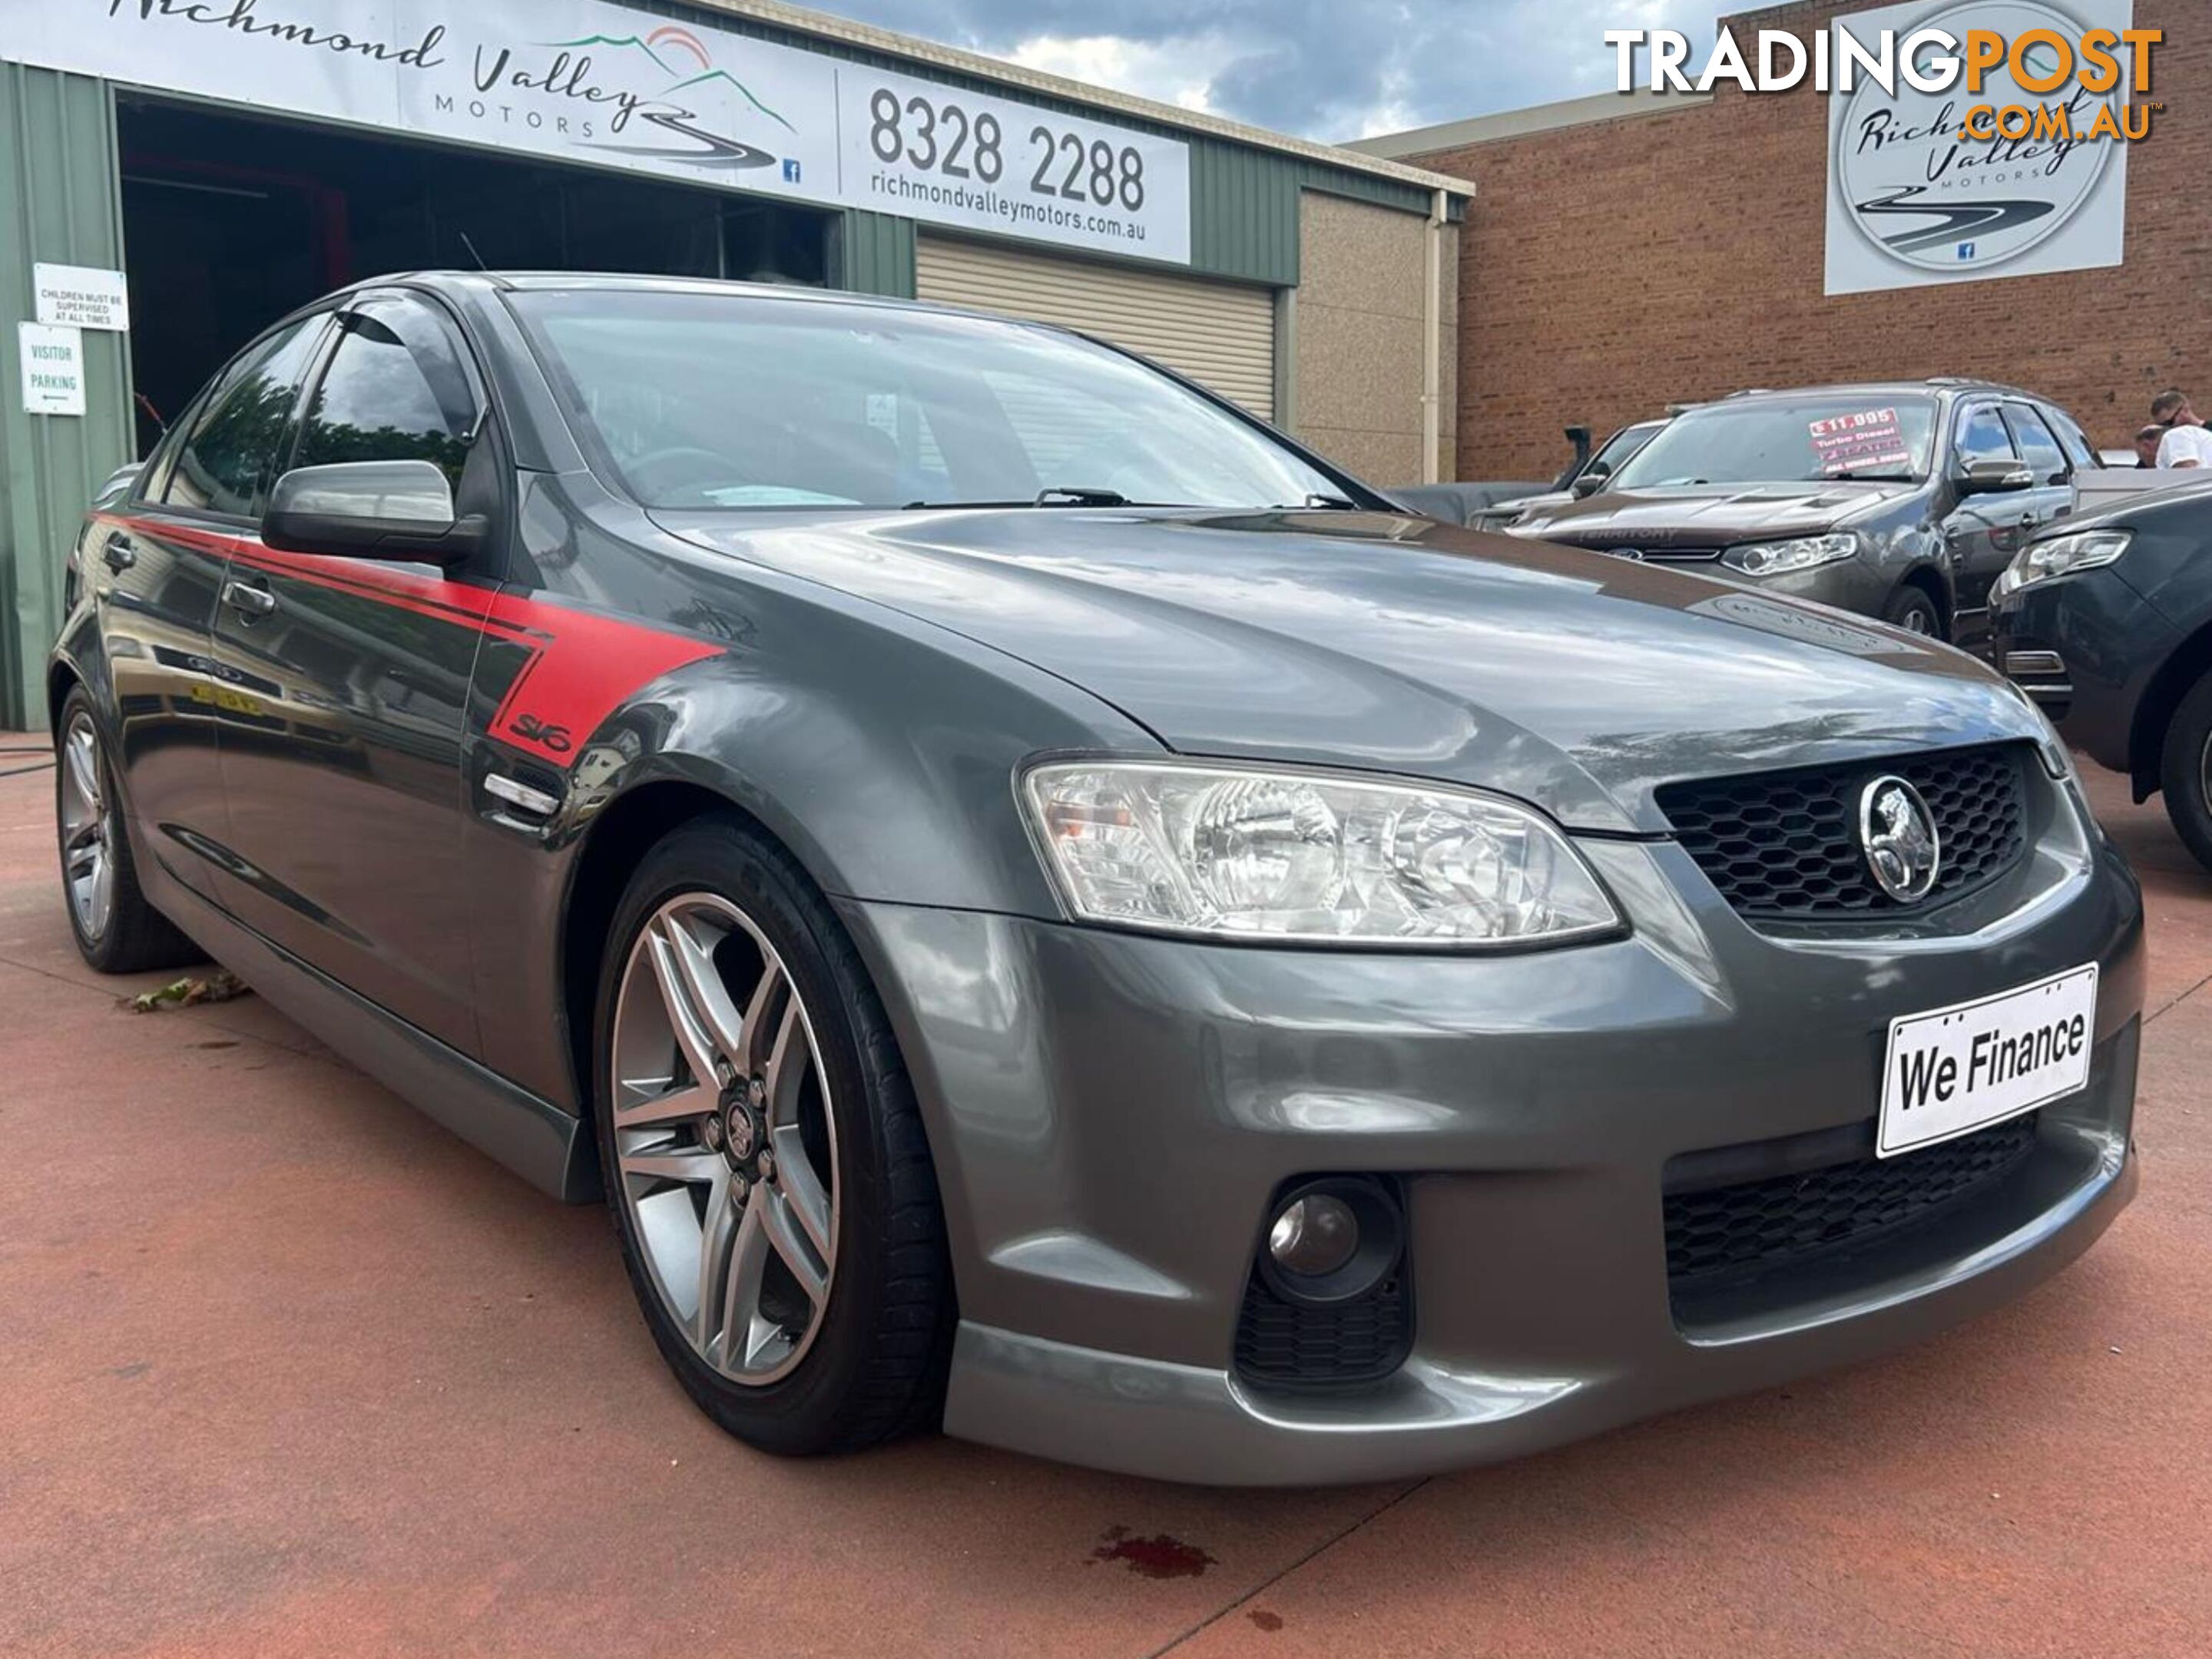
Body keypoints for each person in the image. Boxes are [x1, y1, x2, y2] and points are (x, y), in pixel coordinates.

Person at [2151, 389, 2212, 469]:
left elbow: (2187, 473)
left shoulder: (2178, 435)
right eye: (2162, 426)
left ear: (2185, 409)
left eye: (2169, 422)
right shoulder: (2167, 441)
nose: (2168, 429)